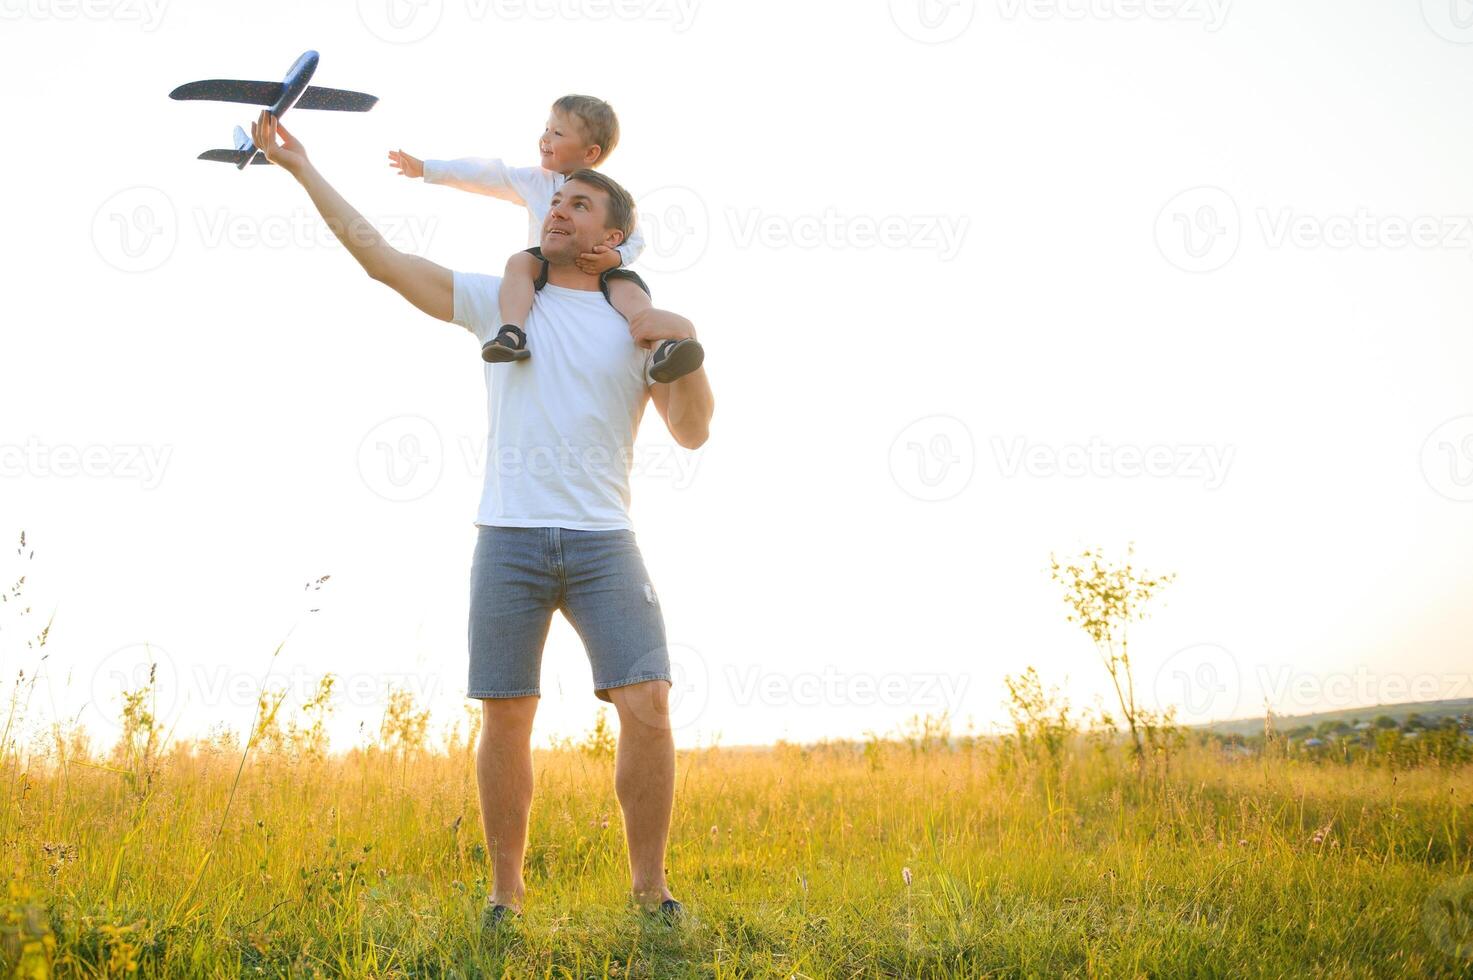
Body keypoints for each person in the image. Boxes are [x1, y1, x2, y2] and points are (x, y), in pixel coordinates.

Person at [250, 110, 715, 930]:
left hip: (608, 542)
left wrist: (689, 344)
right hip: (508, 538)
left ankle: (651, 893)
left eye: (577, 204)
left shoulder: (638, 320)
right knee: (507, 713)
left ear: (613, 235)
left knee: (649, 704)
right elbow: (383, 261)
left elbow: (691, 429)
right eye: (555, 200)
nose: (556, 209)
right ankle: (505, 897)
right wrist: (303, 171)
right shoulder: (506, 298)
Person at [389, 94, 704, 384]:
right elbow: (487, 174)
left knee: (635, 296)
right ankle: (511, 332)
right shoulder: (535, 181)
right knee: (520, 263)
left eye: (558, 133)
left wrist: (616, 258)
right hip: (549, 266)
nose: (545, 138)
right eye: (546, 129)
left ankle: (665, 349)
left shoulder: (608, 193)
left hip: (604, 273)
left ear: (590, 152)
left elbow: (634, 236)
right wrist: (427, 169)